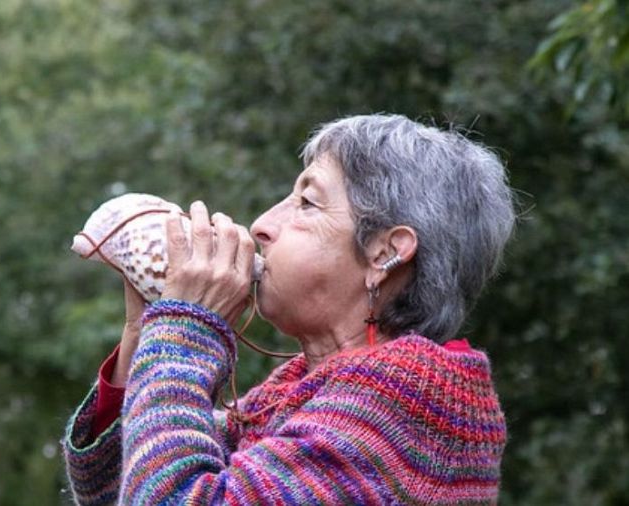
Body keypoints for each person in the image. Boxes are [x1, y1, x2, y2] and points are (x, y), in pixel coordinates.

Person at [62, 114, 515, 505]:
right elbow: (119, 486)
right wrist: (144, 340)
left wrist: (183, 330)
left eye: (307, 202)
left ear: (384, 254)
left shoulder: (409, 405)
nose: (262, 225)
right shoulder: (298, 397)